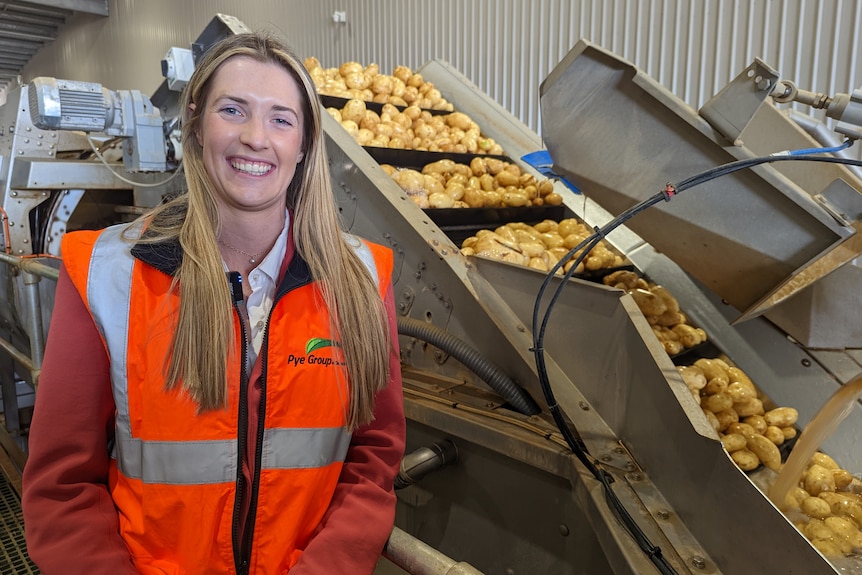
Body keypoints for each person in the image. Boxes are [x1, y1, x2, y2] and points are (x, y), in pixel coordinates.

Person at [22, 31, 406, 575]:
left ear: (304, 145)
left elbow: (373, 458)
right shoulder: (108, 273)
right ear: (197, 127)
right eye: (233, 110)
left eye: (281, 119)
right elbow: (63, 486)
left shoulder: (362, 279)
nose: (255, 137)